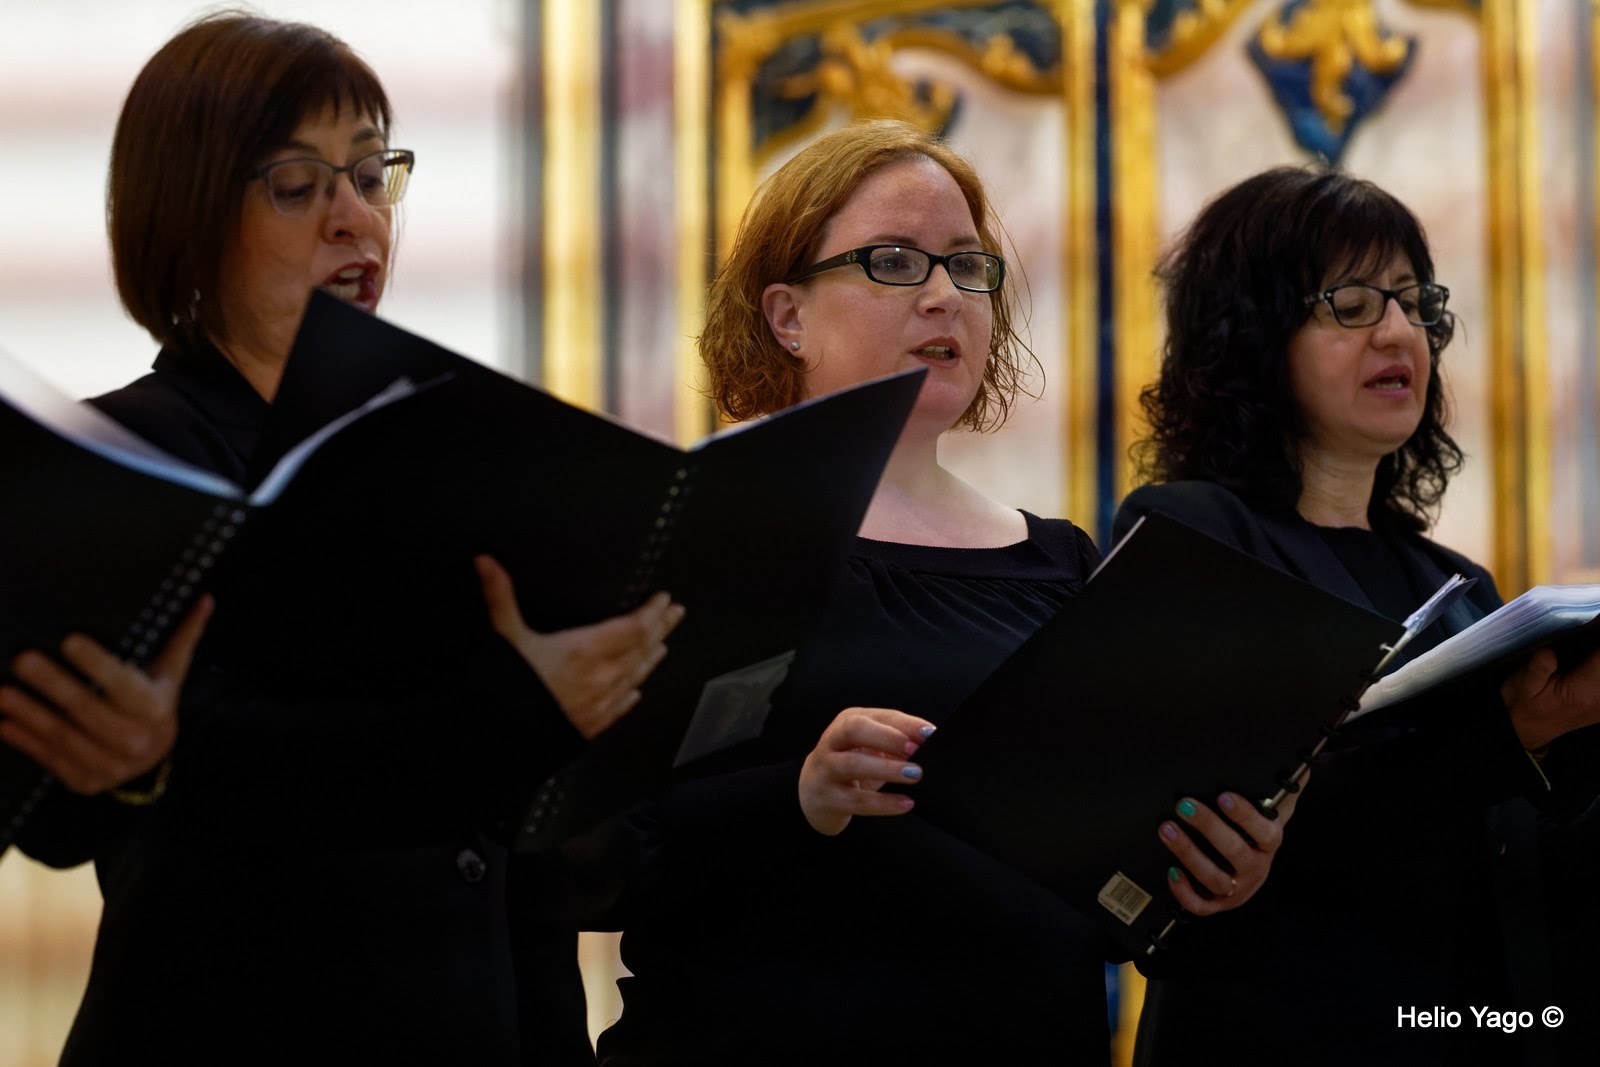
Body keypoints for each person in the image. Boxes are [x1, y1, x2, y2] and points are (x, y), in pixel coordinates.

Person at [1, 14, 679, 1064]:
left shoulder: (465, 452)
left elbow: (534, 855)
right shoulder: (125, 456)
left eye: (370, 174)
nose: (355, 219)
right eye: (298, 184)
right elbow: (88, 810)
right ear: (190, 211)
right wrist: (522, 709)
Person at [592, 120, 1294, 1065]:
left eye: (968, 267)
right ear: (787, 315)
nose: (942, 295)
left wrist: (1214, 871)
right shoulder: (708, 532)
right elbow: (609, 859)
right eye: (892, 261)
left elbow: (1110, 893)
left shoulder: (1064, 565)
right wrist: (803, 796)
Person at [1117, 165, 1600, 1065]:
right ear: (1253, 336)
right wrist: (1508, 739)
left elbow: (1514, 857)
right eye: (1352, 303)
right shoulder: (1192, 531)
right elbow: (1239, 825)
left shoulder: (1457, 580)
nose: (1400, 331)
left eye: (1417, 304)